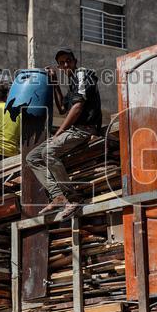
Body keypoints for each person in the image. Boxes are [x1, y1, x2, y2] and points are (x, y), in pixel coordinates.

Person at [27, 48, 102, 219]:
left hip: (84, 129)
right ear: (59, 67)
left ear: (75, 62)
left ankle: (73, 198)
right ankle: (58, 196)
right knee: (32, 157)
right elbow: (62, 108)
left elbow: (78, 107)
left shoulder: (82, 74)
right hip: (73, 130)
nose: (66, 65)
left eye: (68, 61)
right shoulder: (72, 84)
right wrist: (54, 83)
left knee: (48, 152)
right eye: (62, 63)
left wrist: (60, 131)